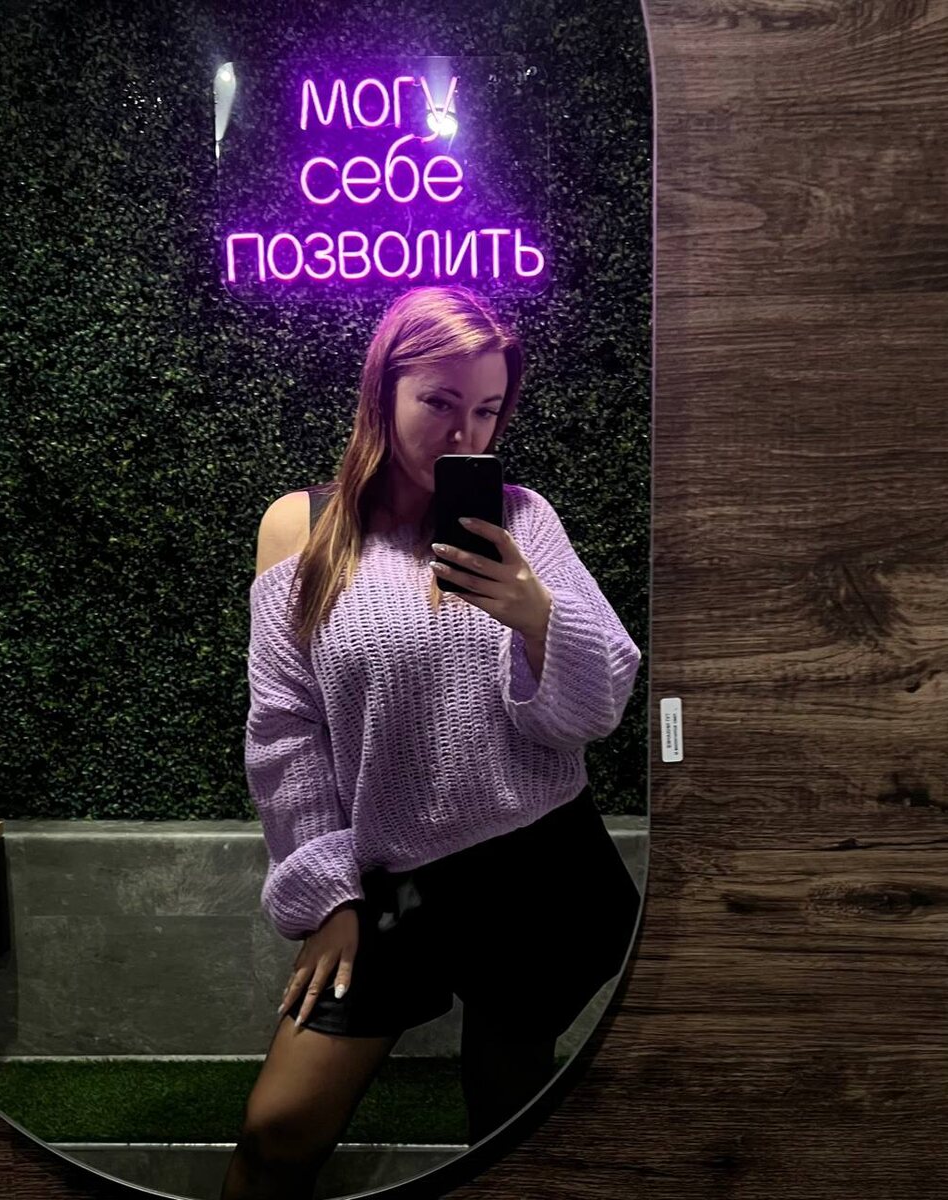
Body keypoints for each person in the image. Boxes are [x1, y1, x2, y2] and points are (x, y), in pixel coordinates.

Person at [220, 285, 642, 1200]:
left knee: (504, 1124)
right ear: (384, 390)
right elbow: (285, 731)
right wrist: (329, 894)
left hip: (538, 867)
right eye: (440, 402)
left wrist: (538, 616)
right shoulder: (301, 528)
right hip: (395, 883)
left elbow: (598, 700)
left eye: (487, 409)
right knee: (277, 1130)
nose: (465, 434)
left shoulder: (521, 519)